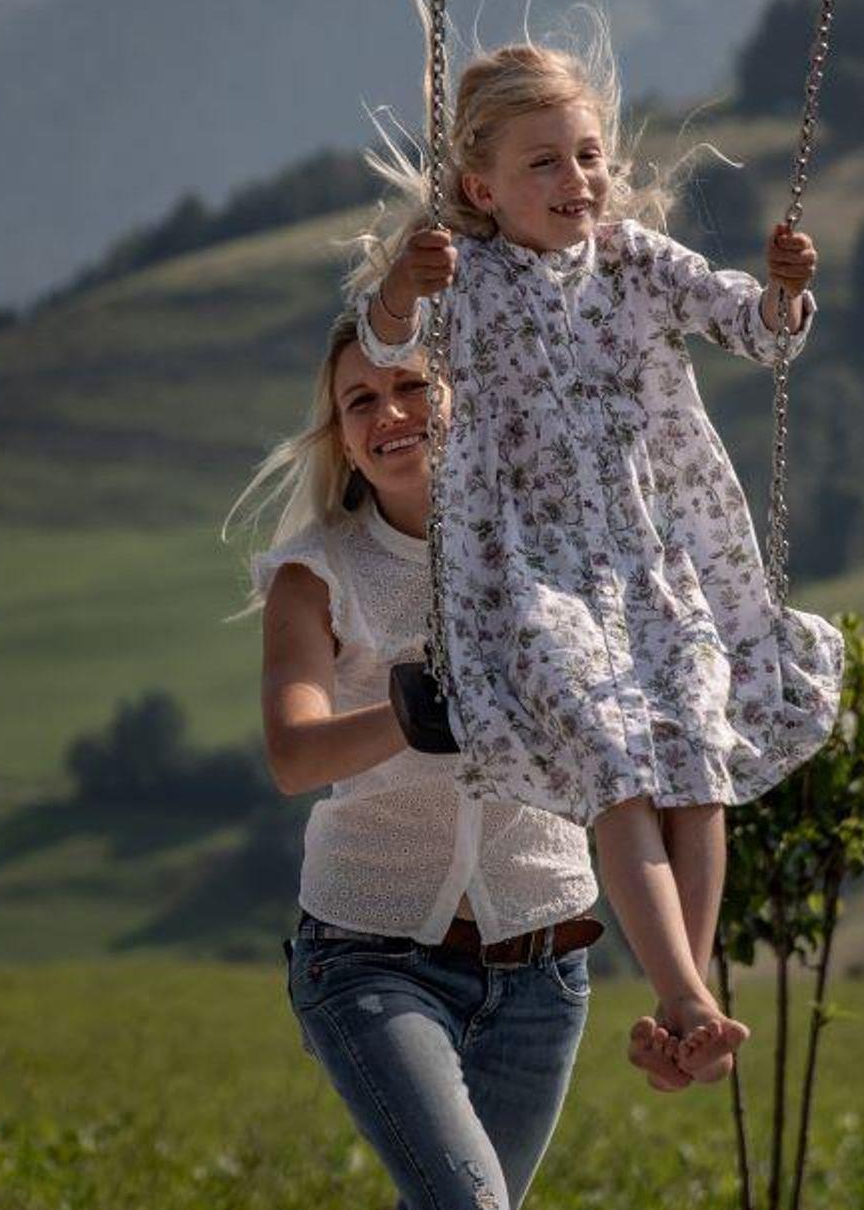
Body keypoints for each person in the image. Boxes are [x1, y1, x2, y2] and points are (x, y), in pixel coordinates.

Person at [355, 34, 843, 1089]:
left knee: (696, 759)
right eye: (544, 162)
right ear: (482, 187)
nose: (576, 178)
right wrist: (402, 281)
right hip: (532, 577)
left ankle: (684, 1005)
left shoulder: (634, 260)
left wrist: (783, 292)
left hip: (656, 565)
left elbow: (756, 332)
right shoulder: (467, 277)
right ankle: (687, 999)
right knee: (618, 760)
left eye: (586, 155)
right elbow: (385, 341)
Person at [237, 309, 604, 1210]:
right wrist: (418, 707)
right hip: (370, 957)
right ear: (342, 439)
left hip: (544, 963)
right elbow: (293, 756)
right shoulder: (314, 574)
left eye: (411, 386)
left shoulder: (552, 544)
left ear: (461, 397)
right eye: (360, 401)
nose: (389, 413)